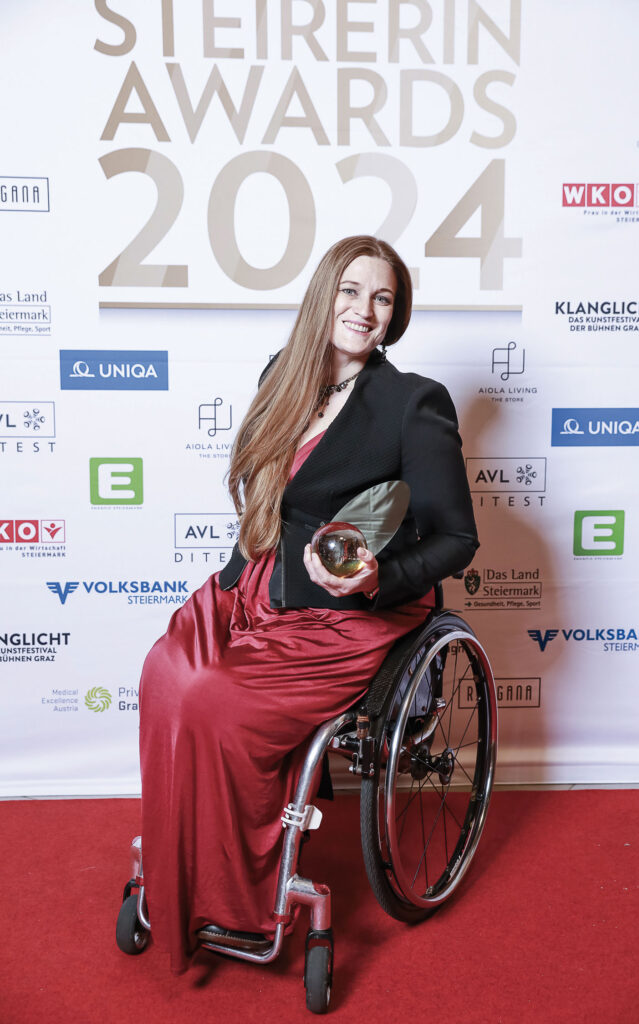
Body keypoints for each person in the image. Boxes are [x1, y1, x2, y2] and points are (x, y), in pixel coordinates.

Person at [138, 235, 478, 975]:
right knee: (168, 676)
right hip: (255, 585)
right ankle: (176, 875)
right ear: (325, 294)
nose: (364, 311)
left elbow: (455, 538)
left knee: (218, 701)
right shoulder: (282, 374)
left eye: (382, 298)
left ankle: (233, 900)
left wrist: (374, 580)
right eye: (352, 292)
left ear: (396, 314)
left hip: (346, 614)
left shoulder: (412, 403)